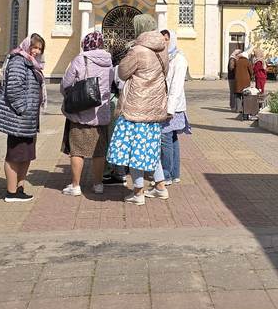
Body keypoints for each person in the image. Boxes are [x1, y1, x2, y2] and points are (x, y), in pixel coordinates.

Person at [106, 14, 169, 205]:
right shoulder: (163, 49)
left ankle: (138, 192)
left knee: (134, 150)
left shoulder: (137, 50)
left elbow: (123, 72)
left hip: (136, 106)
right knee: (151, 149)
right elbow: (165, 72)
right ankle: (160, 187)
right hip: (155, 106)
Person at [0, 34, 46, 202]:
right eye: (34, 47)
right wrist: (23, 109)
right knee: (15, 155)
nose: (36, 51)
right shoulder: (18, 61)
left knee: (26, 155)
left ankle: (20, 188)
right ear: (27, 46)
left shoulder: (31, 62)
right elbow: (13, 88)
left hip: (28, 120)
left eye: (39, 49)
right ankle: (11, 192)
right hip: (19, 120)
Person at [60, 31, 115, 196]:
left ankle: (75, 185)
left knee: (77, 150)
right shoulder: (109, 61)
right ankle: (98, 184)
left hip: (81, 111)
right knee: (99, 151)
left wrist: (68, 95)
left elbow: (66, 83)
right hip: (101, 113)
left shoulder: (81, 59)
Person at [160, 29, 190, 184]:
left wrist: (170, 109)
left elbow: (176, 86)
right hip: (169, 104)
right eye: (162, 39)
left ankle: (166, 175)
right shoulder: (166, 57)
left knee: (165, 137)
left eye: (167, 39)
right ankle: (175, 173)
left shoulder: (179, 59)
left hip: (173, 106)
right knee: (172, 138)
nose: (164, 42)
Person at [233, 49, 253, 120]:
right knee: (245, 95)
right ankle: (245, 108)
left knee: (238, 95)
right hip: (246, 80)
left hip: (237, 80)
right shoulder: (247, 62)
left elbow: (233, 70)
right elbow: (251, 71)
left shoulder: (237, 61)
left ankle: (238, 109)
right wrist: (251, 76)